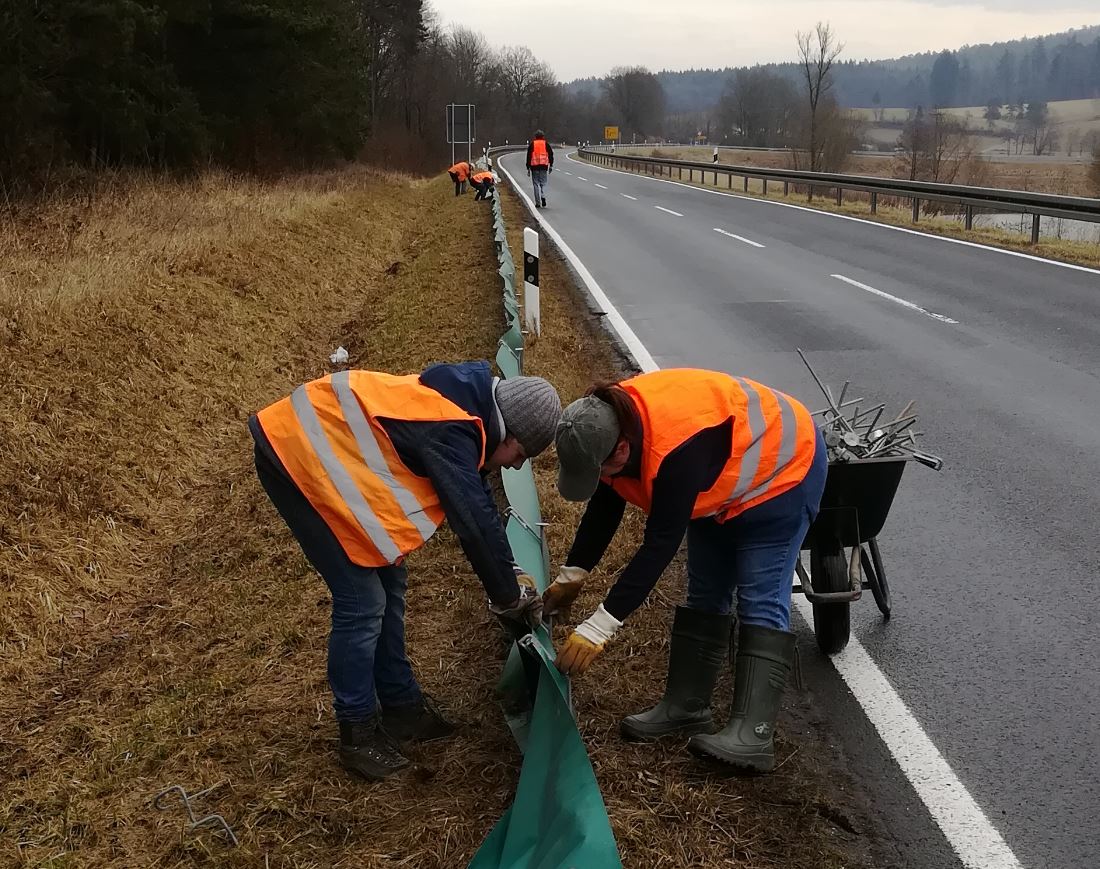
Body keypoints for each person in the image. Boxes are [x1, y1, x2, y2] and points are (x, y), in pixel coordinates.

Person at [249, 362, 561, 780]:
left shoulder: (469, 405)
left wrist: (510, 570)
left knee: (390, 579)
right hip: (294, 455)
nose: (512, 466)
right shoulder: (452, 429)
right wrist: (508, 597)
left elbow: (481, 505)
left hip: (324, 449)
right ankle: (357, 733)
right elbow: (471, 522)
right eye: (519, 455)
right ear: (510, 433)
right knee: (362, 601)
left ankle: (401, 706)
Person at [547, 369, 826, 774]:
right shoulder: (605, 423)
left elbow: (658, 547)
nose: (603, 479)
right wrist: (573, 574)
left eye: (603, 470)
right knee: (705, 591)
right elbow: (604, 507)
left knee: (759, 596)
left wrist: (598, 628)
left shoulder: (674, 453)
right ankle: (687, 707)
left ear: (622, 449)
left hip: (782, 472)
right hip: (721, 476)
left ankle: (754, 733)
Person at [526, 130, 554, 208]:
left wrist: (528, 167)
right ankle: (543, 196)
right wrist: (551, 165)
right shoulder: (546, 144)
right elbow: (551, 154)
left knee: (535, 184)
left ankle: (538, 202)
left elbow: (528, 156)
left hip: (534, 167)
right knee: (543, 183)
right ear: (543, 136)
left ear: (535, 136)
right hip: (544, 166)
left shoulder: (532, 144)